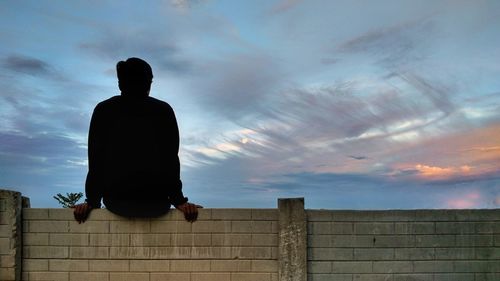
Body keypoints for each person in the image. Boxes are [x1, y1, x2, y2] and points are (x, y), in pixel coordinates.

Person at [74, 57, 201, 223]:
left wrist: (92, 202)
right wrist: (179, 201)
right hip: (156, 202)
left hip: (117, 201)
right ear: (149, 83)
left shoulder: (104, 110)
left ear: (120, 84)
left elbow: (96, 161)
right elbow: (171, 161)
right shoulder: (163, 111)